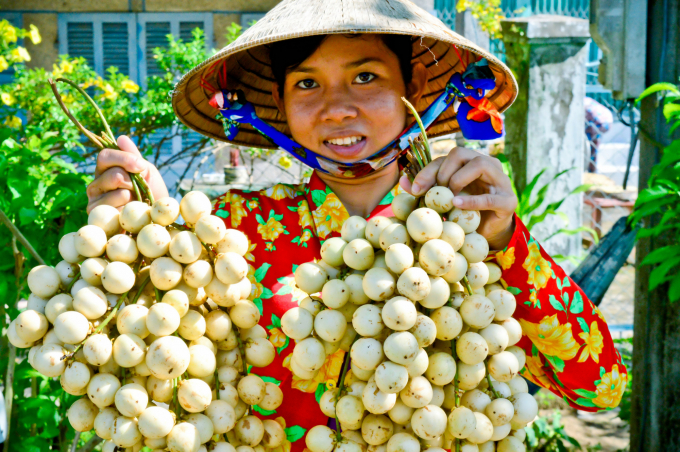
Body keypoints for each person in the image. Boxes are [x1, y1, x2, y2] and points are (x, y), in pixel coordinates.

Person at [86, 0, 627, 448]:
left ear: (413, 86)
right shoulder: (230, 231)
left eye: (365, 76)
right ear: (278, 102)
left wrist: (509, 243)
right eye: (306, 85)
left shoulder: (471, 229)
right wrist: (138, 243)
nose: (337, 108)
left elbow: (599, 387)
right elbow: (151, 364)